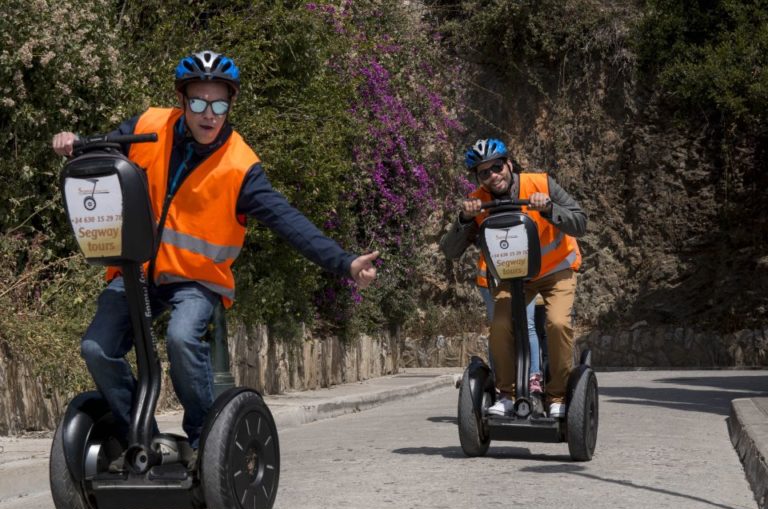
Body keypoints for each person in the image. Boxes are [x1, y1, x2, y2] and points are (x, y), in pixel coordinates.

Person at [52, 50, 379, 463]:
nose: (209, 114)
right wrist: (72, 146)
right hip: (136, 272)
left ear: (231, 105)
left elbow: (289, 221)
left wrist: (344, 262)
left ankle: (205, 440)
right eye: (199, 103)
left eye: (219, 104)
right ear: (182, 100)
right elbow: (100, 154)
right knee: (96, 349)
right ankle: (145, 439)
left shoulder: (240, 167)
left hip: (196, 280)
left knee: (182, 338)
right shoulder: (149, 126)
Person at [440, 138, 586, 418]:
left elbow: (580, 222)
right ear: (478, 178)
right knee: (501, 325)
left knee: (556, 323)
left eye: (497, 167)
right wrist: (464, 219)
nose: (493, 176)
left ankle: (556, 396)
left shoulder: (541, 184)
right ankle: (506, 394)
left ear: (509, 164)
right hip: (514, 276)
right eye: (484, 173)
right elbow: (450, 250)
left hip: (556, 271)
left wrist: (549, 209)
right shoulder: (478, 202)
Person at [473, 250, 545, 395]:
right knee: (498, 328)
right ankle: (500, 379)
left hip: (524, 275)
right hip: (492, 279)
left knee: (528, 325)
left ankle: (534, 376)